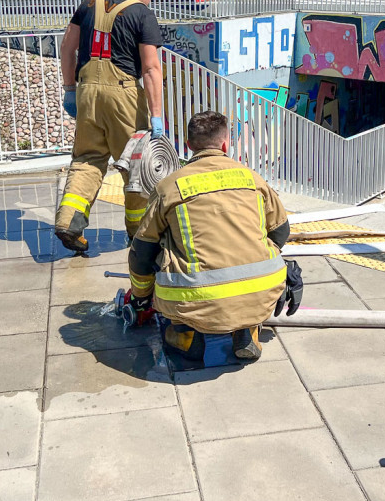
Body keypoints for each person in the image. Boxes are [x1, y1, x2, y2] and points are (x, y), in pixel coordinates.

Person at [125, 111, 301, 362]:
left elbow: (142, 252)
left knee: (163, 248)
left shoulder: (169, 187)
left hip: (192, 299)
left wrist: (141, 297)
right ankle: (247, 329)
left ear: (188, 146)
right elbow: (281, 231)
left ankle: (185, 336)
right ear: (225, 144)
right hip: (263, 290)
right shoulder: (252, 178)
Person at [55, 0, 166, 253]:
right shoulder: (142, 13)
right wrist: (156, 116)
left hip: (87, 93)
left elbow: (67, 47)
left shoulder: (89, 3)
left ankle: (69, 221)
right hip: (123, 96)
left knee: (87, 159)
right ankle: (140, 235)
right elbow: (151, 68)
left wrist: (69, 90)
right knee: (138, 168)